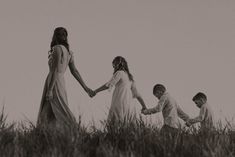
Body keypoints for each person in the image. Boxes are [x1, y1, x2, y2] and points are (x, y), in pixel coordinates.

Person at [37, 27, 95, 129]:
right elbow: (74, 71)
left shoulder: (57, 49)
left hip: (54, 81)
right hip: (60, 81)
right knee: (48, 112)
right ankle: (45, 135)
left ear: (55, 36)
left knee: (61, 109)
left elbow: (55, 70)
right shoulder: (68, 52)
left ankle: (76, 130)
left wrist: (50, 90)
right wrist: (85, 88)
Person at [93, 56, 147, 122]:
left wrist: (95, 91)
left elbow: (109, 84)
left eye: (115, 64)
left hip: (118, 103)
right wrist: (144, 106)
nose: (114, 67)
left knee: (113, 125)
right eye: (113, 65)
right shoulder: (130, 78)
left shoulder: (119, 73)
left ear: (120, 64)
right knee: (125, 124)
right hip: (127, 104)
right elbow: (137, 94)